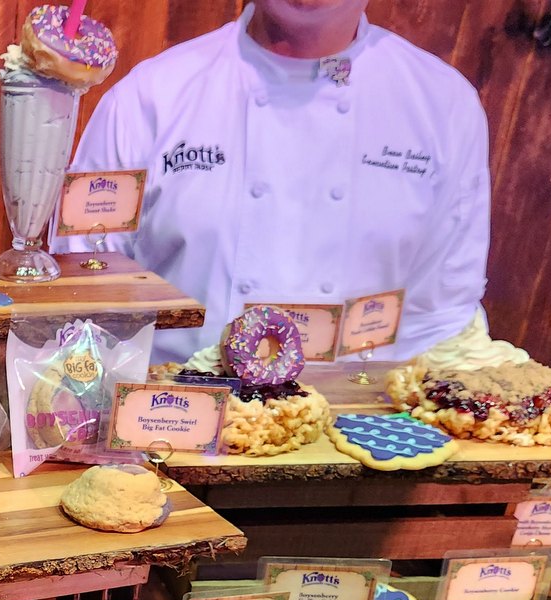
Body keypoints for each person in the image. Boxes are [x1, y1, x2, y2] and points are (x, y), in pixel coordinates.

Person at [54, 0, 490, 364]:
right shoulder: (148, 97)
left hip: (362, 424)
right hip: (177, 417)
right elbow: (85, 284)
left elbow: (441, 315)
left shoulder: (443, 105)